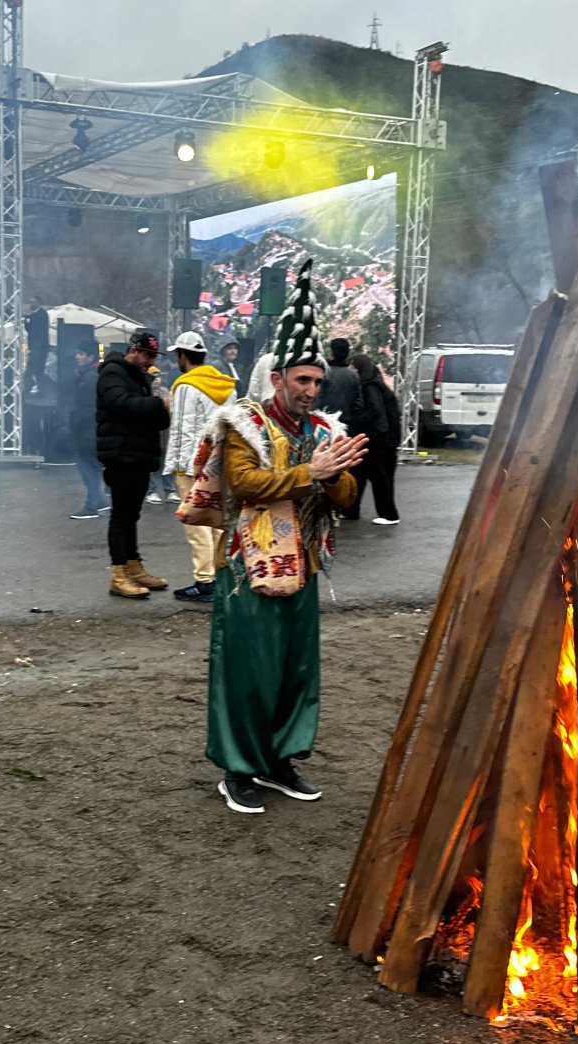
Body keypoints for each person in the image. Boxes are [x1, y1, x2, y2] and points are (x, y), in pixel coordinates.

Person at [202, 259, 367, 813]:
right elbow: (245, 485)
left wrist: (338, 473)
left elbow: (346, 500)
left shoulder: (325, 429)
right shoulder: (243, 421)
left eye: (317, 381)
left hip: (304, 565)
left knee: (296, 670)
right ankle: (238, 769)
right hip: (248, 566)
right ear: (278, 379)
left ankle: (279, 760)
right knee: (249, 668)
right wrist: (310, 474)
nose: (311, 389)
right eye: (303, 380)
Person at [163, 330, 237, 601]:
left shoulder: (185, 386)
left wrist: (179, 467)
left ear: (183, 356)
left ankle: (204, 581)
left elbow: (182, 429)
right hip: (219, 462)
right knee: (218, 520)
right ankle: (220, 574)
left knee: (196, 524)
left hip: (193, 465)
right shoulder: (226, 385)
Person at [96, 329, 170, 598]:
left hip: (138, 455)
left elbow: (154, 417)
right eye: (147, 355)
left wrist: (161, 407)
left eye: (153, 355)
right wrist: (158, 402)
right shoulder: (112, 373)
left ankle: (133, 566)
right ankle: (118, 574)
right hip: (121, 455)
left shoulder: (140, 378)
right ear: (133, 351)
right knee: (121, 516)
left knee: (131, 516)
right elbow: (120, 403)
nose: (151, 360)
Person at [346, 353, 402, 524]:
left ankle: (388, 514)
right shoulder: (376, 384)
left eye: (353, 367)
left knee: (376, 476)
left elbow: (374, 410)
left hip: (376, 437)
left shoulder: (369, 387)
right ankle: (351, 509)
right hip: (381, 437)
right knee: (361, 473)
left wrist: (354, 421)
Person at [69, 339, 105, 520]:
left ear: (90, 356)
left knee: (86, 466)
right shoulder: (95, 374)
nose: (77, 357)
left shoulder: (90, 377)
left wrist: (76, 425)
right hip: (94, 429)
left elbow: (88, 408)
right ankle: (100, 500)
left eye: (81, 354)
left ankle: (92, 506)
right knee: (93, 465)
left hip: (88, 430)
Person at [146, 361, 178, 503]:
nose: (156, 380)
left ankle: (169, 490)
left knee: (167, 464)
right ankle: (151, 491)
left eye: (158, 376)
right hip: (151, 435)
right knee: (152, 465)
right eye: (153, 376)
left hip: (166, 434)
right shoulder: (145, 393)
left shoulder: (167, 392)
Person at [314, 337, 362, 421]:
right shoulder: (354, 374)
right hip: (347, 421)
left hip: (324, 419)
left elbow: (318, 397)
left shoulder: (324, 372)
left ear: (332, 352)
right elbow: (358, 401)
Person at [25, 296, 50, 396]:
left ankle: (37, 389)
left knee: (36, 370)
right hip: (35, 347)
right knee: (35, 370)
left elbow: (39, 332)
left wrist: (35, 349)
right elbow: (30, 330)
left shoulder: (42, 314)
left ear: (39, 303)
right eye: (30, 302)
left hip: (39, 348)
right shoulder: (34, 315)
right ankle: (36, 389)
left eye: (33, 302)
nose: (31, 304)